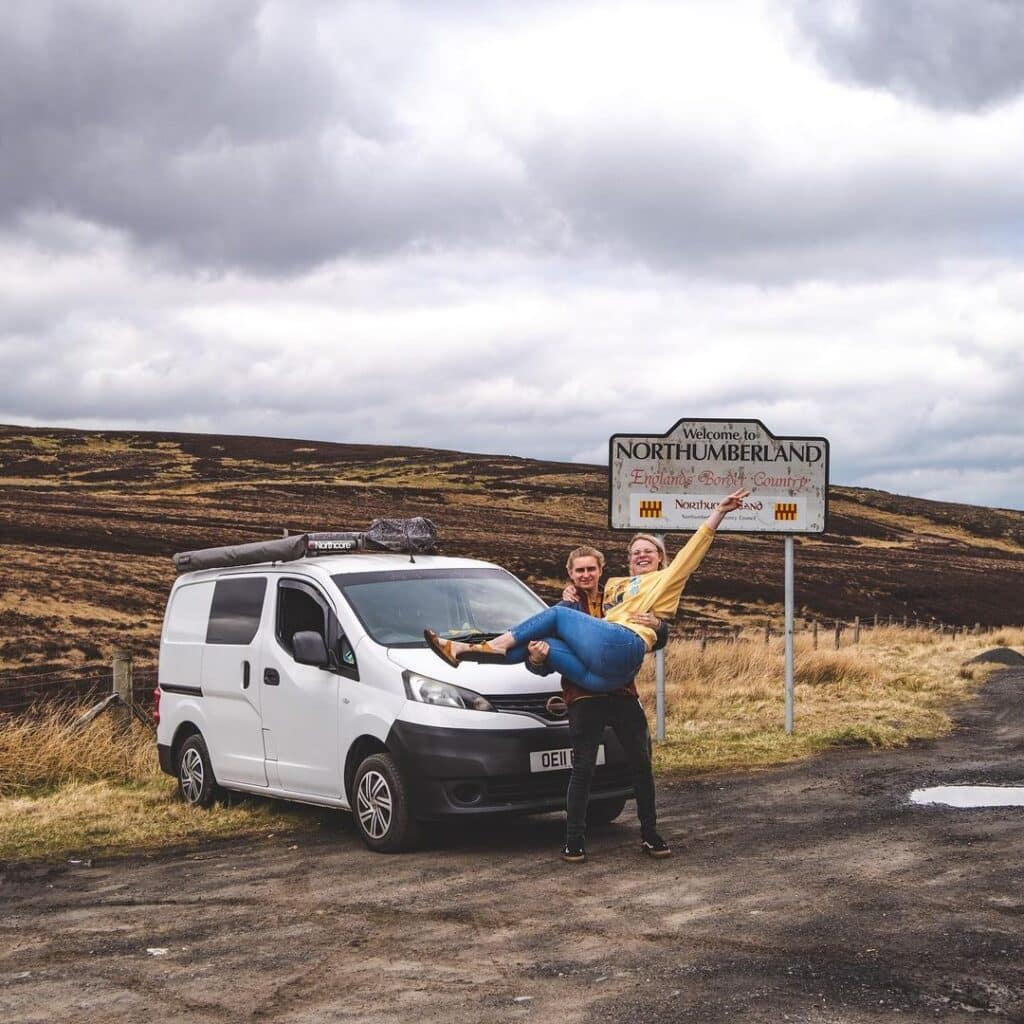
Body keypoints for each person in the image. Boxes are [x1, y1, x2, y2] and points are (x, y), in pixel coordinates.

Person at [424, 488, 748, 690]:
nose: (642, 555)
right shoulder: (617, 585)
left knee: (558, 616)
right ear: (628, 560)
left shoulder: (666, 580)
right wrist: (573, 597)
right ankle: (465, 653)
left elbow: (694, 550)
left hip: (624, 646)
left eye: (649, 551)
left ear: (662, 559)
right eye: (636, 552)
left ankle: (494, 645)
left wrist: (718, 512)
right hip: (600, 679)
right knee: (543, 642)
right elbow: (594, 611)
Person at [523, 542, 670, 863]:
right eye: (580, 570)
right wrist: (536, 659)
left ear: (601, 571)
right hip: (583, 698)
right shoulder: (563, 610)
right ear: (570, 574)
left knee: (641, 765)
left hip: (623, 694)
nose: (586, 575)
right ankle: (574, 840)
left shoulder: (620, 597)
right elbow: (541, 663)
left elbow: (654, 635)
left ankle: (650, 834)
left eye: (591, 569)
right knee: (583, 770)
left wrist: (659, 626)